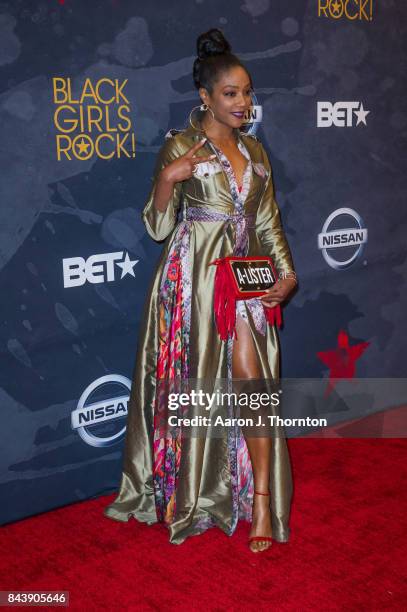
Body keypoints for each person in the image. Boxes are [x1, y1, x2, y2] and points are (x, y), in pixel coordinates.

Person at [104, 28, 297, 553]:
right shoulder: (181, 145)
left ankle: (259, 498)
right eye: (232, 93)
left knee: (252, 382)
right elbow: (158, 226)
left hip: (246, 281)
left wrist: (286, 274)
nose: (244, 103)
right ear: (205, 97)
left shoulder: (256, 151)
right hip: (195, 282)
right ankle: (204, 493)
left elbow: (268, 220)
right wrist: (170, 177)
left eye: (249, 92)